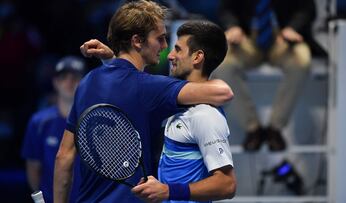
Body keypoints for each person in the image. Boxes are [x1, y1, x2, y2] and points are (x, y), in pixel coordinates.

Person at [53, 1, 233, 203]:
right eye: (160, 39)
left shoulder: (87, 82)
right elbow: (222, 93)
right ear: (137, 41)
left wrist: (113, 61)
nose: (165, 48)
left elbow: (64, 156)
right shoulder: (149, 87)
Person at [130, 20, 236, 203]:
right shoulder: (177, 103)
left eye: (178, 49)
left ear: (197, 57)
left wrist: (168, 190)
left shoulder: (205, 116)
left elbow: (227, 184)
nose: (170, 55)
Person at [211, 0, 316, 151]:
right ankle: (253, 128)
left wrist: (293, 28)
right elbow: (225, 8)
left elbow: (307, 8)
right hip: (246, 38)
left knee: (301, 62)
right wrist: (232, 26)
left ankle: (275, 129)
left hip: (283, 38)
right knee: (223, 65)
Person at [21, 56, 85, 203]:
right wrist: (40, 200)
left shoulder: (94, 122)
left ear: (83, 83)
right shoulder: (39, 122)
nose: (69, 82)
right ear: (55, 82)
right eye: (64, 77)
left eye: (75, 77)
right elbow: (33, 168)